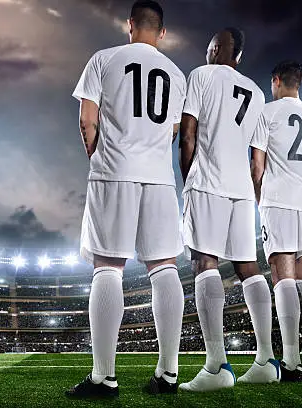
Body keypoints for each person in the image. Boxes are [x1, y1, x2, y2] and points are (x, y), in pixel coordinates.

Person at [66, 0, 186, 398]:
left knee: (108, 267)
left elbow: (87, 119)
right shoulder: (176, 74)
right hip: (159, 177)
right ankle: (168, 374)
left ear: (129, 25)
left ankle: (104, 377)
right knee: (164, 266)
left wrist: (99, 158)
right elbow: (172, 130)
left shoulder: (103, 59)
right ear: (162, 32)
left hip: (114, 171)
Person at [178, 28, 280, 392]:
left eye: (209, 47)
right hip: (241, 187)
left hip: (208, 181)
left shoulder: (201, 75)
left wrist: (187, 177)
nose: (207, 52)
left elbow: (187, 134)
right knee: (248, 267)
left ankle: (216, 366)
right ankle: (267, 359)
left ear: (217, 48)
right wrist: (252, 194)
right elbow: (258, 159)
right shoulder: (255, 91)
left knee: (204, 262)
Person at [250, 60, 302, 381]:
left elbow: (257, 165)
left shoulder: (267, 112)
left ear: (276, 80)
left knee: (283, 277)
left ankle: (292, 362)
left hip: (279, 200)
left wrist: (259, 201)